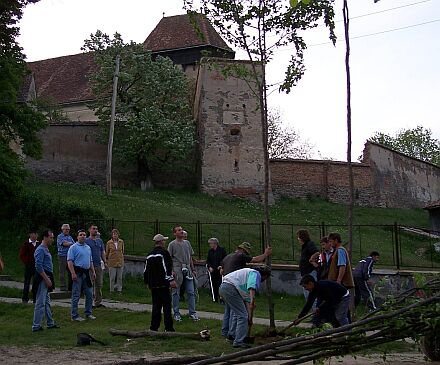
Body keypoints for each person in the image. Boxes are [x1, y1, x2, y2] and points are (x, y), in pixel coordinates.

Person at [220, 241, 272, 338]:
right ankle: (233, 335)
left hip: (225, 284)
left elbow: (221, 271)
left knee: (228, 310)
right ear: (243, 250)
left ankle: (225, 332)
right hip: (234, 286)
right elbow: (255, 260)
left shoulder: (227, 257)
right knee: (238, 313)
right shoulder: (240, 256)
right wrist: (266, 254)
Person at [220, 266, 271, 348]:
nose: (263, 281)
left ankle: (232, 336)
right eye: (265, 278)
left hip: (224, 287)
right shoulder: (255, 273)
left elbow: (247, 303)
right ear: (264, 276)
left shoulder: (245, 278)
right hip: (230, 288)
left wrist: (250, 318)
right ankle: (238, 342)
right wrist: (252, 301)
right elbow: (252, 287)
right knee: (242, 316)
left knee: (238, 314)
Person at [144, 233, 176, 332]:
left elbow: (146, 270)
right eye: (164, 240)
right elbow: (167, 268)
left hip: (153, 284)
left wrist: (147, 282)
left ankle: (154, 327)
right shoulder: (164, 253)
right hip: (163, 284)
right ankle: (168, 327)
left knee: (156, 306)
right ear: (161, 242)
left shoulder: (149, 255)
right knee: (166, 306)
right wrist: (171, 280)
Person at [168, 225, 199, 322]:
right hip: (177, 268)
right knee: (176, 292)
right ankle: (176, 313)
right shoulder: (172, 244)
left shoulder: (187, 243)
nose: (181, 232)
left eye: (181, 230)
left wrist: (193, 269)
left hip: (188, 268)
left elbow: (190, 257)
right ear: (175, 233)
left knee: (191, 291)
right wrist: (171, 271)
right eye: (179, 230)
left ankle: (192, 312)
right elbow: (169, 259)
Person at [32, 229, 59, 332]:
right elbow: (38, 266)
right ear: (45, 237)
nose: (52, 239)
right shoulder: (40, 250)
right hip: (42, 278)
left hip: (47, 276)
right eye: (51, 237)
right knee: (40, 302)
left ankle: (50, 323)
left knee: (47, 302)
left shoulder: (46, 249)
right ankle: (36, 326)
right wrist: (46, 279)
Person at [67, 229, 97, 321]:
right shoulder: (73, 247)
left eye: (84, 235)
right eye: (81, 235)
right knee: (76, 294)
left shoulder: (88, 247)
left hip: (86, 273)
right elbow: (70, 261)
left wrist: (93, 271)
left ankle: (88, 313)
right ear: (77, 237)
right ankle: (74, 315)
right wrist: (73, 273)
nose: (83, 236)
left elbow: (90, 260)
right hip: (77, 273)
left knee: (89, 293)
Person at [85, 224, 107, 307]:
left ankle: (98, 302)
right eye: (94, 229)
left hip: (98, 265)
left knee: (99, 284)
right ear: (89, 230)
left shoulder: (99, 241)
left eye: (96, 229)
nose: (95, 230)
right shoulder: (86, 241)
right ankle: (89, 303)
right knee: (90, 284)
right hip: (90, 266)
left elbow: (102, 251)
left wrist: (105, 261)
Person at [297, 229, 319, 301]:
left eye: (298, 237)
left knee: (311, 294)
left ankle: (316, 310)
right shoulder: (304, 246)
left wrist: (311, 259)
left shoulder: (309, 244)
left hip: (310, 272)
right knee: (307, 295)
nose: (298, 239)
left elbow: (316, 253)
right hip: (305, 273)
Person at [19, 229, 40, 303]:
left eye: (36, 234)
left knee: (36, 282)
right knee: (27, 282)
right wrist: (27, 262)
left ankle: (35, 298)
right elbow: (22, 255)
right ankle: (25, 298)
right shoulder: (26, 244)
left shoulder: (38, 244)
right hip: (29, 266)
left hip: (37, 266)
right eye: (34, 234)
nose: (35, 236)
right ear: (30, 235)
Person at [206, 237, 227, 302]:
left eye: (210, 244)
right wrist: (209, 267)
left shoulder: (222, 250)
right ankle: (214, 297)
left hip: (220, 270)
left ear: (214, 243)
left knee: (220, 284)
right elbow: (208, 260)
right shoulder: (210, 251)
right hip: (213, 270)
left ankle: (222, 298)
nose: (210, 245)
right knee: (213, 284)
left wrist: (221, 266)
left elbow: (225, 259)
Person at [56, 223, 75, 291]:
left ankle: (70, 287)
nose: (67, 231)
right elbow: (64, 244)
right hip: (62, 256)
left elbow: (74, 245)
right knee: (62, 272)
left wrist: (69, 243)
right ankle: (63, 286)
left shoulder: (70, 237)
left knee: (71, 271)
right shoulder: (60, 236)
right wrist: (69, 243)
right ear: (62, 229)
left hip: (69, 257)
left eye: (68, 229)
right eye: (66, 229)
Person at [106, 228, 125, 293]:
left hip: (120, 261)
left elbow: (122, 251)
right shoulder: (109, 243)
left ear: (118, 235)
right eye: (114, 234)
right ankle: (111, 290)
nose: (115, 235)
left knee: (119, 277)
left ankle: (119, 289)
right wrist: (106, 260)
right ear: (112, 235)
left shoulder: (121, 242)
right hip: (112, 262)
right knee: (112, 277)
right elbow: (107, 252)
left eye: (116, 234)